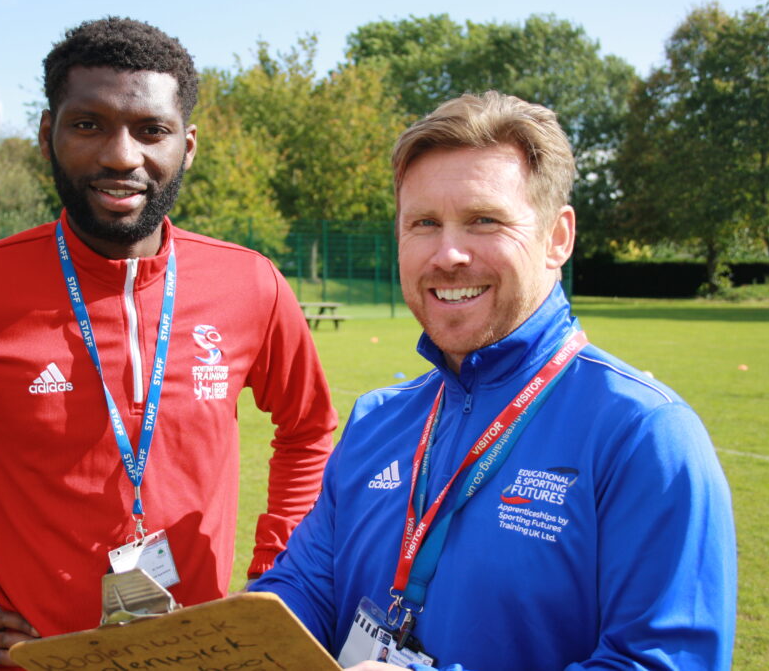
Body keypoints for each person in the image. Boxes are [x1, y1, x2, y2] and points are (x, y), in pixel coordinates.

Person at [0, 17, 336, 671]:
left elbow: (308, 430)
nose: (121, 156)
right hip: (40, 659)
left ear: (186, 146)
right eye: (88, 124)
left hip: (206, 655)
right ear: (47, 135)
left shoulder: (250, 284)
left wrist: (276, 578)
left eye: (150, 130)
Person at [251, 91, 736, 670]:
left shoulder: (642, 434)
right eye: (424, 223)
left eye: (484, 220)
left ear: (558, 238)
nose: (448, 253)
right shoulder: (378, 419)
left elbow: (659, 662)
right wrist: (233, 641)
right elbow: (305, 586)